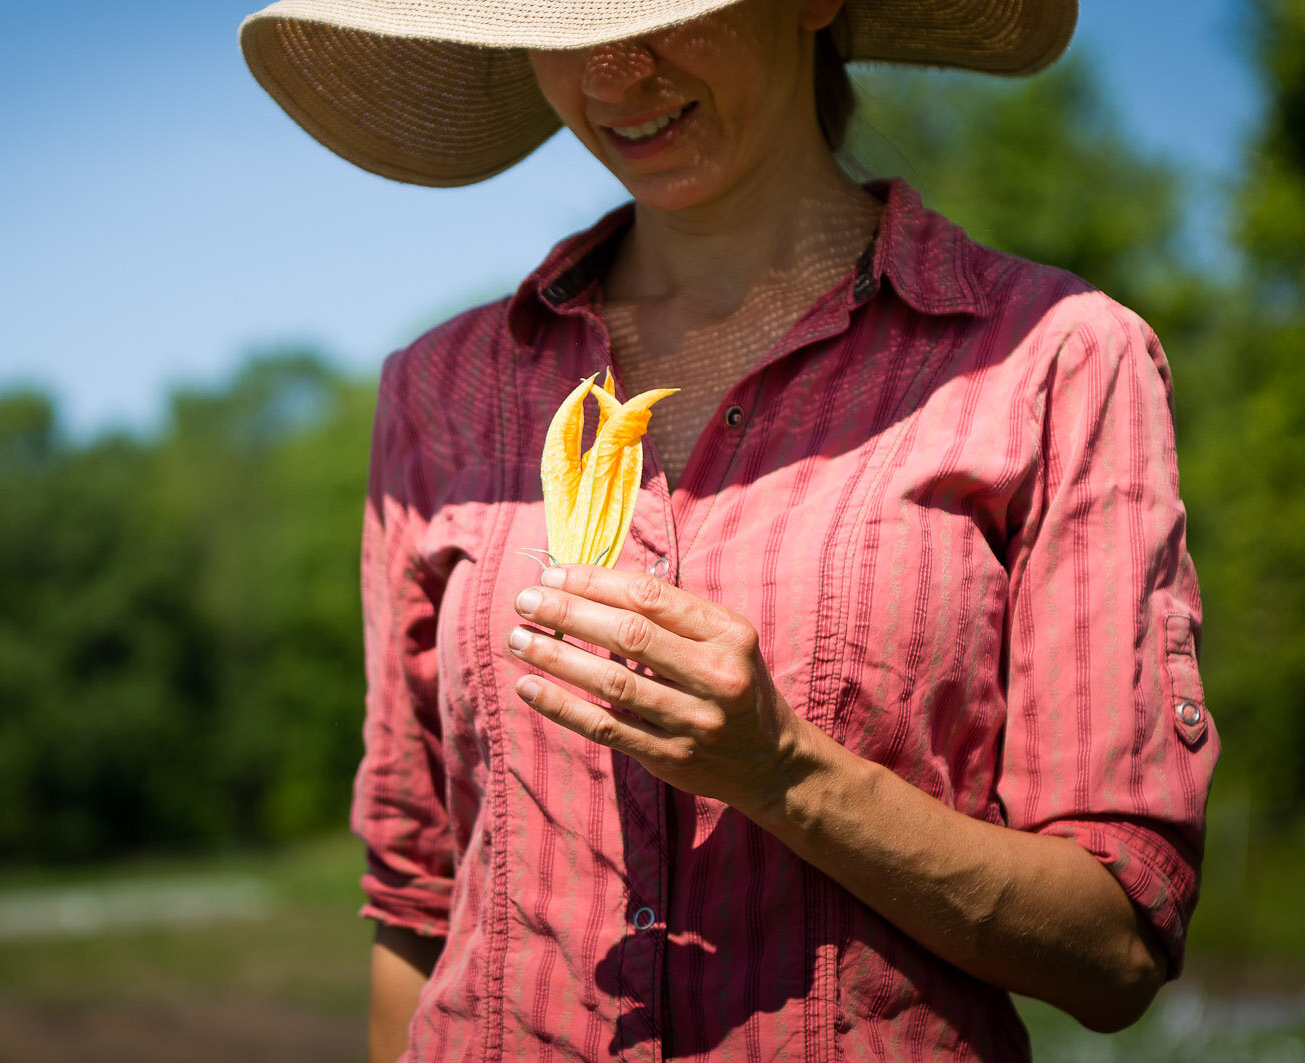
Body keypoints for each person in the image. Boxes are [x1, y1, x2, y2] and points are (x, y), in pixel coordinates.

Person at [241, 0, 1219, 1058]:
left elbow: (1115, 947)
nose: (611, 70)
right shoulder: (441, 391)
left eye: (658, 9)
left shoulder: (1053, 362)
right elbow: (416, 895)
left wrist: (783, 772)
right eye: (558, 24)